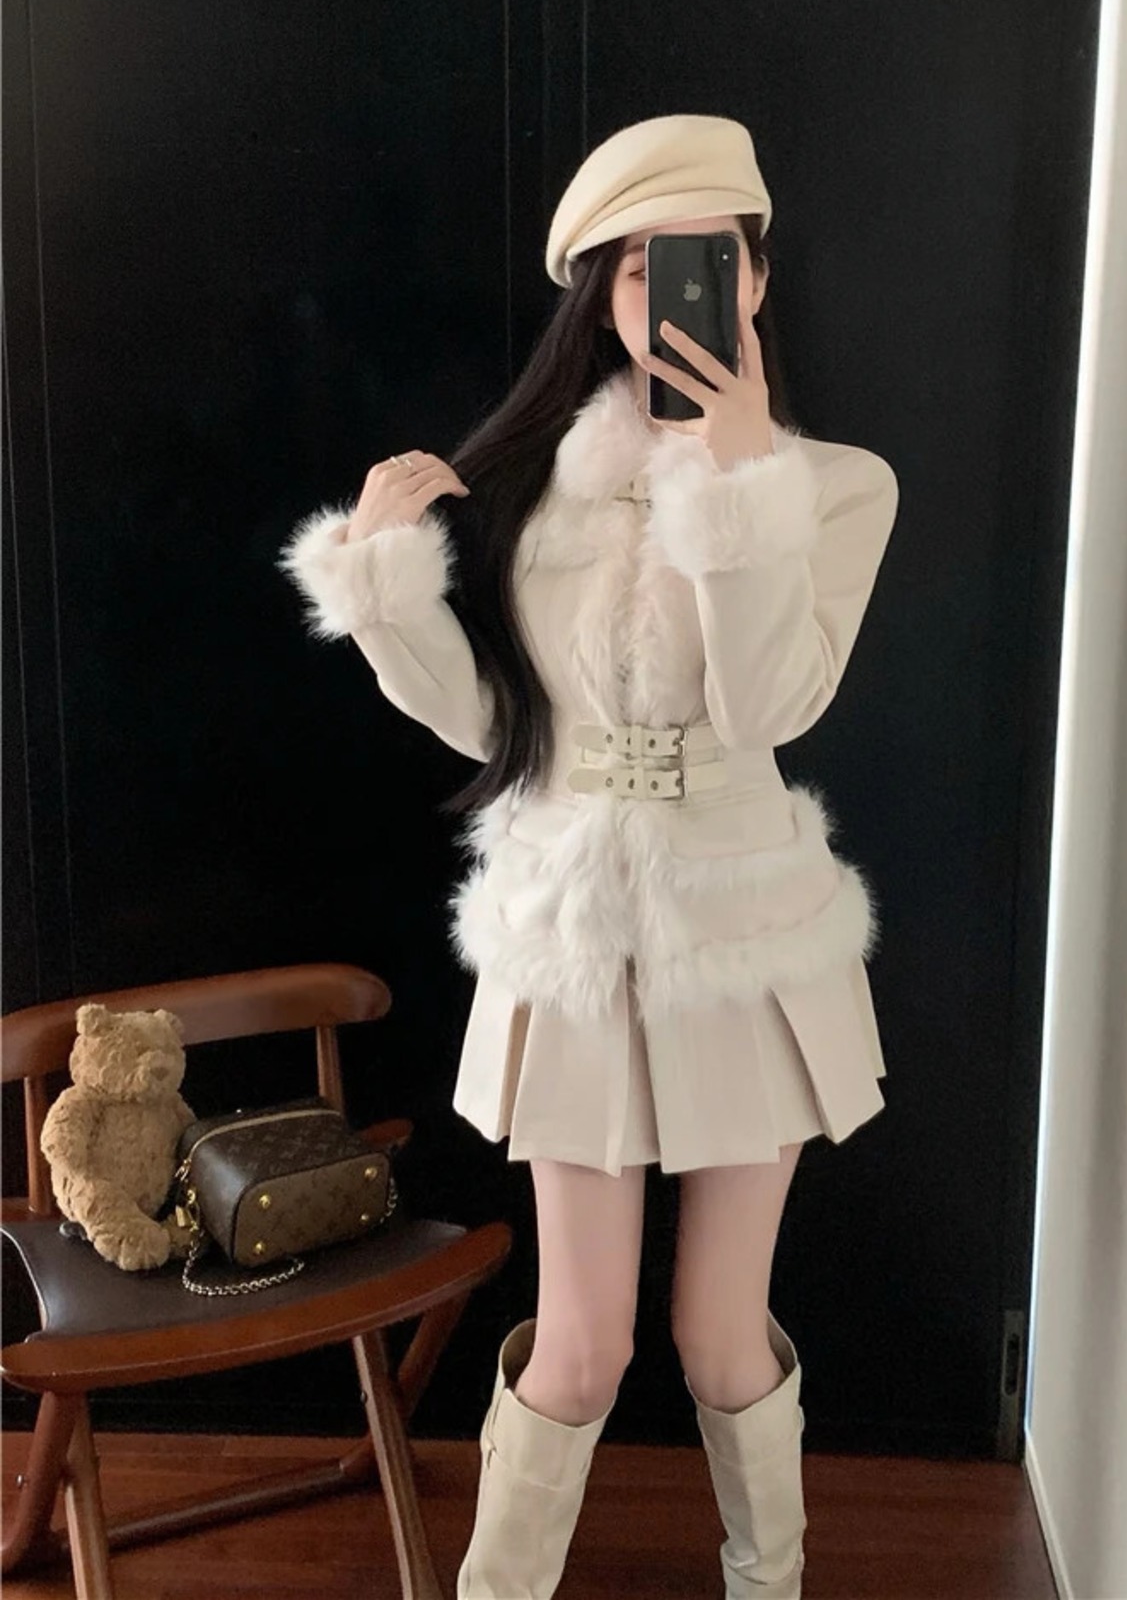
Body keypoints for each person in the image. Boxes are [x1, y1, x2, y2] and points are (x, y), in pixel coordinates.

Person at [278, 114, 899, 1600]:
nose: (671, 294)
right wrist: (382, 583)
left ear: (755, 278)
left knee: (719, 1336)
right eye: (637, 269)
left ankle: (769, 1585)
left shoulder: (837, 486)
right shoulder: (533, 486)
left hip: (744, 929)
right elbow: (494, 725)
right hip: (573, 928)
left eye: (706, 261)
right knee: (580, 1344)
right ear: (600, 297)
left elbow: (771, 706)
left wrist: (736, 486)